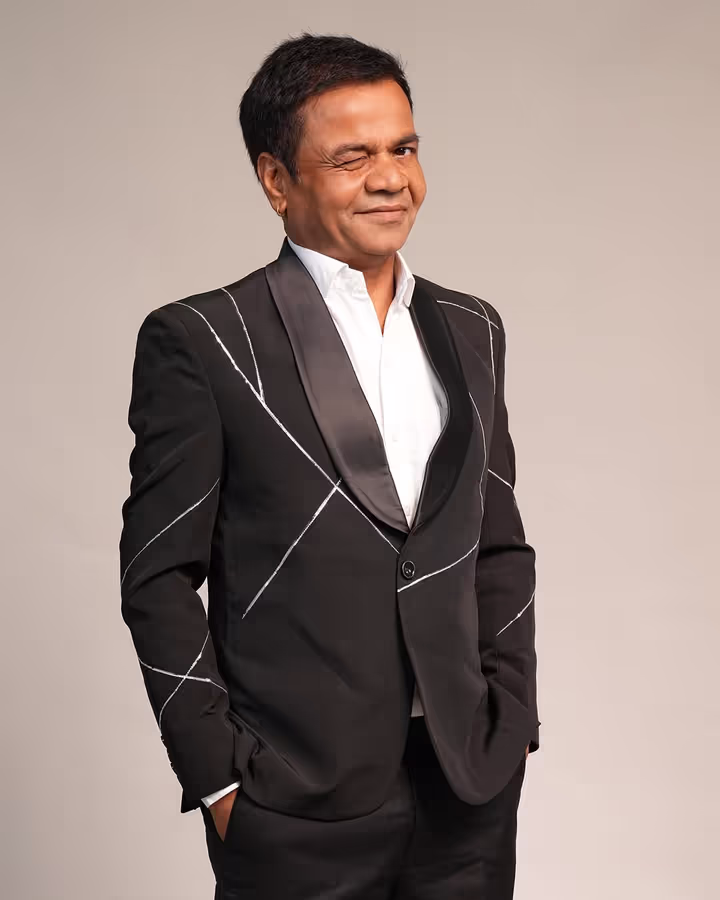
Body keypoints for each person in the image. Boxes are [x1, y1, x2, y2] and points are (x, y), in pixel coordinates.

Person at [120, 32, 540, 900]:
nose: (392, 178)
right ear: (276, 180)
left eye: (404, 149)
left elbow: (499, 545)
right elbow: (157, 575)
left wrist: (512, 722)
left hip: (468, 788)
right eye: (354, 158)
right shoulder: (205, 341)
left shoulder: (473, 329)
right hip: (293, 802)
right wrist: (217, 778)